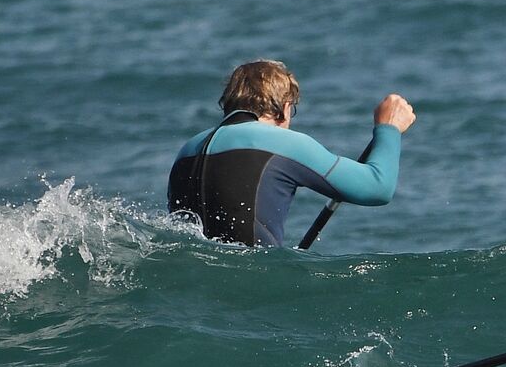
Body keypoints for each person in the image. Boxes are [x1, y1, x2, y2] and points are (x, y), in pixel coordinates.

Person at [168, 59, 416, 247]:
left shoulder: (188, 151)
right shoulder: (283, 143)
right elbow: (378, 187)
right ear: (285, 108)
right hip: (250, 282)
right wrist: (389, 128)